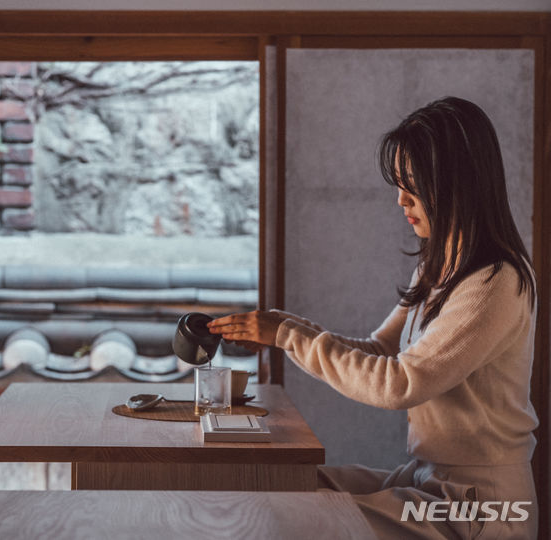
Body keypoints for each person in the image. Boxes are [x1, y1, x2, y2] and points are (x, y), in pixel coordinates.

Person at [207, 96, 538, 539]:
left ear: (459, 182)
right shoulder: (439, 266)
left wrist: (287, 336)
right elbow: (380, 350)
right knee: (290, 488)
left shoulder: (495, 281)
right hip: (428, 478)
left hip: (483, 504)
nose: (400, 199)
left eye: (412, 183)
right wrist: (281, 328)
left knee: (301, 521)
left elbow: (401, 382)